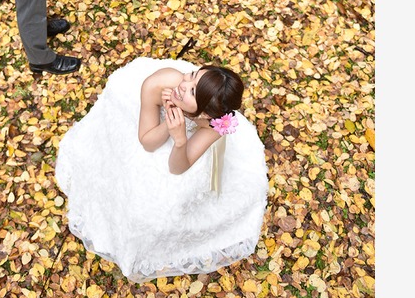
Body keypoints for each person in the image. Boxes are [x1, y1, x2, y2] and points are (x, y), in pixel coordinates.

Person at [54, 57, 268, 283]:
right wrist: (168, 123)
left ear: (206, 115)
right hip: (135, 104)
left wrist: (180, 139)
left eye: (192, 91)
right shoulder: (161, 84)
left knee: (174, 194)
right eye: (193, 74)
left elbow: (178, 168)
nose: (183, 84)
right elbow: (147, 142)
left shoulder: (216, 123)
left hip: (181, 126)